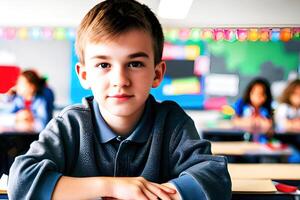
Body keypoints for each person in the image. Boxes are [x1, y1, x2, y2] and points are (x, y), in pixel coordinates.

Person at [8, 1, 231, 199]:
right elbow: (21, 181)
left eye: (134, 64)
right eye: (104, 65)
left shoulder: (172, 122)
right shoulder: (71, 124)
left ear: (157, 74)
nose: (120, 80)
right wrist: (114, 188)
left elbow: (214, 179)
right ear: (84, 75)